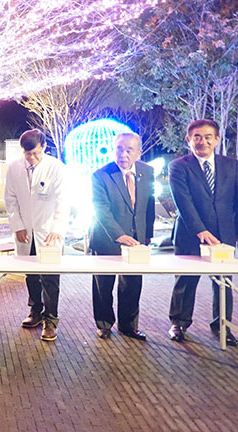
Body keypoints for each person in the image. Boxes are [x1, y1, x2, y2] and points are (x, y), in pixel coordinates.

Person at [167, 119, 238, 346]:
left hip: (224, 234)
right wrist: (200, 229)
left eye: (208, 137)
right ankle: (179, 323)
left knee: (223, 282)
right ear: (189, 140)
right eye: (197, 137)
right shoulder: (178, 166)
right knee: (186, 280)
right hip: (189, 234)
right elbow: (183, 202)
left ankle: (222, 325)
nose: (202, 141)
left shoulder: (230, 165)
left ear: (217, 139)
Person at [88, 133, 155, 341]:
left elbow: (149, 205)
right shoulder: (101, 175)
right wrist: (120, 235)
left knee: (132, 284)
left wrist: (147, 235)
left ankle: (129, 326)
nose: (123, 154)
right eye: (119, 149)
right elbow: (101, 210)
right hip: (106, 238)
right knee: (103, 285)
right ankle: (104, 324)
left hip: (136, 240)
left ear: (138, 153)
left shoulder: (147, 172)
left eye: (128, 150)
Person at [4, 129, 69, 342]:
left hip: (48, 231)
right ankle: (35, 311)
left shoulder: (56, 167)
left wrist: (57, 229)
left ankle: (51, 320)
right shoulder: (14, 168)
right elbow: (10, 199)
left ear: (44, 148)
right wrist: (17, 226)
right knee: (31, 274)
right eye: (27, 153)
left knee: (50, 277)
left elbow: (63, 201)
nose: (31, 158)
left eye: (36, 153)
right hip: (25, 231)